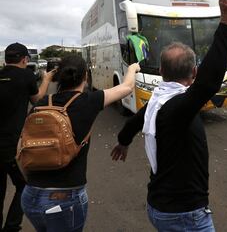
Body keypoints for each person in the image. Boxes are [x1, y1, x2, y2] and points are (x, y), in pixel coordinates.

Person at [111, 0, 227, 232]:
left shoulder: (157, 102)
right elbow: (208, 84)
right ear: (193, 72)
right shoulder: (178, 108)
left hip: (160, 208)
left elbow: (134, 123)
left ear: (161, 72)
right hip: (184, 215)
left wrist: (123, 141)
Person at [20, 55, 140, 232]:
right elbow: (127, 87)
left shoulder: (41, 105)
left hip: (30, 196)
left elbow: (21, 150)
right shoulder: (88, 101)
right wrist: (132, 69)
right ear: (85, 76)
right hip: (64, 198)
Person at [0, 43, 54, 232]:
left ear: (6, 59)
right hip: (12, 146)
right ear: (24, 59)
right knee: (24, 185)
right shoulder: (26, 76)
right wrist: (46, 79)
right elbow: (37, 99)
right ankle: (12, 226)